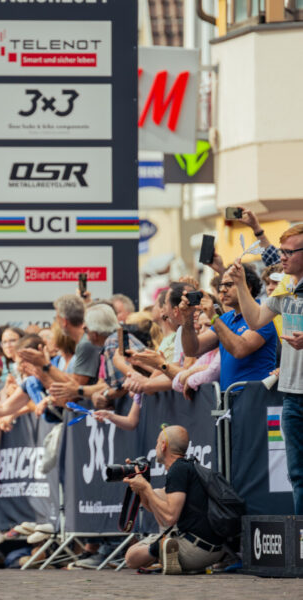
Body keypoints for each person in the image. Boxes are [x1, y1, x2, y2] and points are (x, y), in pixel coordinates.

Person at [229, 223, 303, 515]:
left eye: (288, 251)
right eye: (281, 251)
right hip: (292, 394)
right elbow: (257, 319)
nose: (282, 257)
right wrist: (240, 285)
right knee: (297, 475)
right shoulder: (285, 283)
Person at [124, 426, 226, 574]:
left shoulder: (177, 470)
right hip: (215, 549)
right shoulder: (188, 466)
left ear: (164, 445)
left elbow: (170, 517)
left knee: (131, 556)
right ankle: (164, 550)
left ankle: (163, 551)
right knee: (158, 494)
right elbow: (154, 508)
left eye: (157, 442)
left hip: (196, 551)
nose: (155, 447)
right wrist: (141, 488)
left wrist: (145, 488)